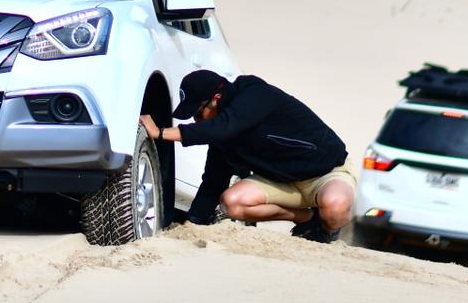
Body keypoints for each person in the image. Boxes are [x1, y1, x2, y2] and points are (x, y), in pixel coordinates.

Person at [139, 69, 355, 243]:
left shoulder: (255, 94)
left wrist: (161, 133)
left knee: (334, 207)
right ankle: (308, 217)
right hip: (280, 183)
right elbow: (213, 182)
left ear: (216, 98)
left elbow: (226, 126)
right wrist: (192, 224)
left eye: (198, 112)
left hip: (326, 174)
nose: (197, 120)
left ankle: (326, 229)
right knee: (231, 203)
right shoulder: (221, 134)